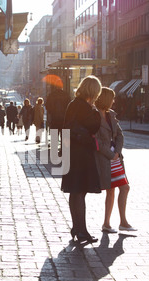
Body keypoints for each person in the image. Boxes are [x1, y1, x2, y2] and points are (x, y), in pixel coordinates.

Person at [61, 76, 102, 244]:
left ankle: (77, 227)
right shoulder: (86, 107)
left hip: (72, 153)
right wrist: (95, 111)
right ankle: (82, 230)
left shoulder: (73, 104)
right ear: (93, 91)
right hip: (81, 154)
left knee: (75, 191)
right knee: (80, 192)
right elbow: (94, 126)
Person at [95, 88, 136, 234]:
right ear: (106, 99)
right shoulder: (95, 115)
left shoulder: (110, 115)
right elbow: (96, 140)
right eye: (112, 98)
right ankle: (108, 223)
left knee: (123, 187)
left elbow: (120, 135)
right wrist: (110, 154)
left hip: (115, 158)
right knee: (111, 190)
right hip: (105, 158)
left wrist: (117, 152)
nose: (114, 101)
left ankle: (121, 222)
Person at [46, 81, 71, 155]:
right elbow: (69, 106)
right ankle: (62, 151)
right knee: (64, 135)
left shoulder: (51, 95)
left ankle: (54, 151)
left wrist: (52, 112)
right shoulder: (66, 95)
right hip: (64, 119)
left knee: (54, 135)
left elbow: (47, 106)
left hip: (54, 118)